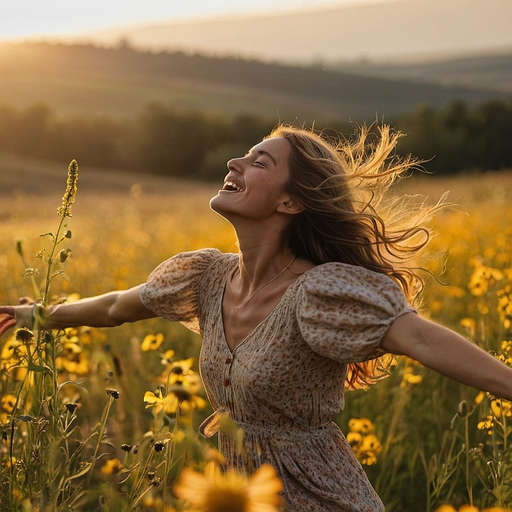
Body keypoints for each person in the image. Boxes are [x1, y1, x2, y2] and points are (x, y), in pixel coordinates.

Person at [1, 124, 511, 512]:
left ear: (290, 199)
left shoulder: (318, 290)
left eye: (259, 161)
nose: (235, 161)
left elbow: (421, 339)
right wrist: (35, 316)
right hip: (241, 493)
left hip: (319, 495)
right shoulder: (204, 277)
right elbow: (115, 307)